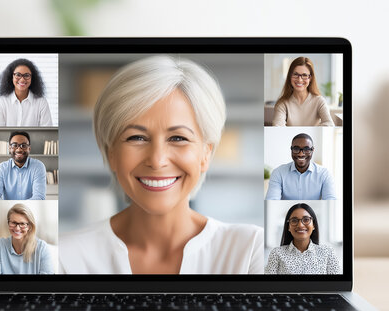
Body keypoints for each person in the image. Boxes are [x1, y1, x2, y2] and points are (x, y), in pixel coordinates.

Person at [59, 55, 264, 274]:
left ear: (206, 153)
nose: (157, 161)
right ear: (112, 154)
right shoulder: (65, 257)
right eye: (136, 138)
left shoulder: (251, 249)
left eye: (178, 138)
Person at [265, 203, 341, 274]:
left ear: (313, 225)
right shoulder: (276, 253)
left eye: (306, 220)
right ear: (288, 226)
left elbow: (337, 286)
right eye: (294, 220)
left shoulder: (327, 252)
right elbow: (268, 286)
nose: (300, 225)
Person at [0, 203, 54, 274]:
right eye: (13, 223)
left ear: (29, 226)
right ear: (8, 223)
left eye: (22, 224)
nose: (17, 228)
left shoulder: (42, 248)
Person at [265, 133, 336, 200]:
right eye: (296, 149)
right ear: (291, 150)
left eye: (306, 149)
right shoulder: (278, 173)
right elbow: (272, 202)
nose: (301, 154)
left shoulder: (324, 174)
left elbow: (331, 203)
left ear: (312, 150)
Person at [272, 57, 334, 127]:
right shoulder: (282, 104)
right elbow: (277, 128)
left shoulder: (319, 101)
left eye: (304, 75)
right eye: (295, 74)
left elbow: (329, 125)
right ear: (290, 76)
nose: (299, 80)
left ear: (310, 78)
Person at [0, 58, 53, 126]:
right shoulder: (2, 102)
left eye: (26, 75)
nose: (22, 79)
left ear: (32, 78)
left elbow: (47, 133)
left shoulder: (41, 102)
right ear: (11, 77)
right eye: (18, 75)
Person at [0, 131, 47, 200]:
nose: (19, 149)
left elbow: (39, 197)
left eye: (23, 145)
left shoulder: (38, 166)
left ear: (29, 148)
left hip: (30, 210)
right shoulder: (2, 168)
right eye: (15, 145)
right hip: (7, 210)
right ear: (9, 148)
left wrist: (20, 209)